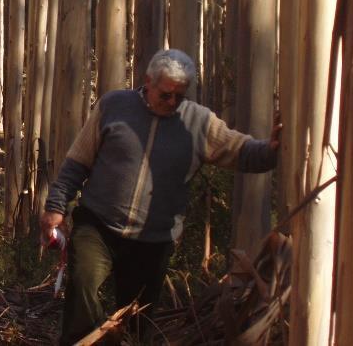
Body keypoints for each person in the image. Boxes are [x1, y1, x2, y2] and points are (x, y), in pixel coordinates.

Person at [39, 49, 282, 344]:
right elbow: (78, 161)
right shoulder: (114, 106)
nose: (172, 103)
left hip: (152, 241)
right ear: (148, 82)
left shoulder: (198, 122)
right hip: (98, 226)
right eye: (165, 94)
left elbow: (242, 151)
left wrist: (272, 149)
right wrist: (56, 205)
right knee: (82, 288)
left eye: (179, 96)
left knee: (135, 319)